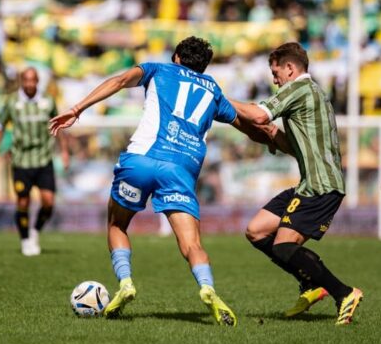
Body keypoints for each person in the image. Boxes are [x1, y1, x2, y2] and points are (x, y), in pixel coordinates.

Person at [50, 36, 256, 326]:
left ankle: (126, 282)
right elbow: (246, 123)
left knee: (117, 224)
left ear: (176, 57)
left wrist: (77, 109)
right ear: (205, 66)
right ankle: (207, 288)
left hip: (141, 161)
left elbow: (120, 80)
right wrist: (274, 140)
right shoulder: (213, 91)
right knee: (192, 243)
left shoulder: (158, 69)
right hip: (180, 171)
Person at [229, 42, 363, 326]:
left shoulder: (299, 88)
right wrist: (272, 135)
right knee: (256, 231)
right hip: (308, 184)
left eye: (276, 72)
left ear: (290, 68)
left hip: (321, 186)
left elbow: (259, 114)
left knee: (283, 247)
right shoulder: (309, 94)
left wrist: (220, 98)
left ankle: (344, 293)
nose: (274, 79)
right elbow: (293, 145)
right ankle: (312, 283)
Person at [0, 67, 70, 256]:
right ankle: (25, 239)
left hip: (43, 159)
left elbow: (58, 126)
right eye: (26, 80)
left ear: (37, 81)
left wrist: (64, 151)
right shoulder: (11, 102)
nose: (29, 84)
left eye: (33, 80)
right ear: (21, 81)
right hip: (21, 161)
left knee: (49, 202)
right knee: (23, 202)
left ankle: (35, 231)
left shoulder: (48, 101)